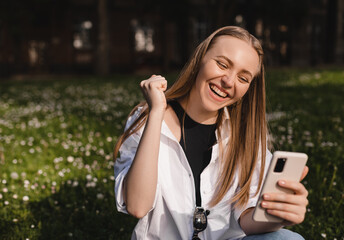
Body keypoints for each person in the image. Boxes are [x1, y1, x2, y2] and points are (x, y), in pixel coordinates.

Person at [113, 26, 309, 240]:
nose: (229, 82)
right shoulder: (148, 118)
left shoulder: (244, 135)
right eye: (222, 64)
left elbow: (246, 219)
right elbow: (137, 206)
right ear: (200, 59)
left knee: (288, 239)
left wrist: (277, 215)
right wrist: (157, 112)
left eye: (243, 78)